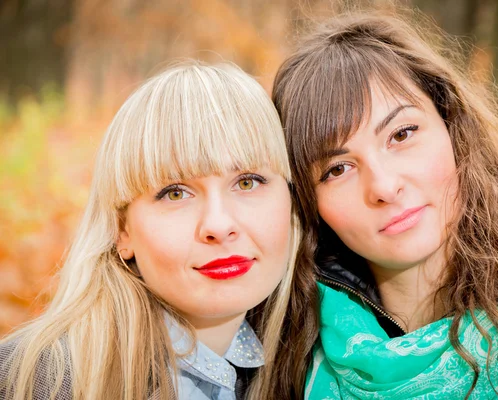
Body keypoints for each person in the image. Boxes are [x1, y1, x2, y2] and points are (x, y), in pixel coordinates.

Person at [270, 12, 498, 399]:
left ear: (453, 127)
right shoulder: (276, 368)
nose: (385, 186)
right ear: (308, 204)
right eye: (338, 168)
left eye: (402, 133)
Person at [0, 61, 301, 400]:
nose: (219, 225)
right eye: (175, 193)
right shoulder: (30, 379)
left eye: (247, 182)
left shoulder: (316, 370)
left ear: (292, 202)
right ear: (121, 230)